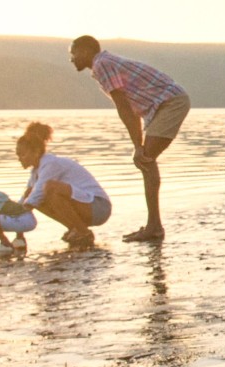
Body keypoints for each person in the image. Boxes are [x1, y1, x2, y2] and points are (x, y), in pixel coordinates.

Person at [69, 35, 191, 243]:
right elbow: (129, 108)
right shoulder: (104, 64)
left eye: (74, 53)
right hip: (160, 107)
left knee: (145, 159)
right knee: (145, 161)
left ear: (87, 51)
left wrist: (137, 145)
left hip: (170, 103)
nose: (71, 58)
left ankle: (154, 227)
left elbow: (124, 107)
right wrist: (138, 144)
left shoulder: (102, 64)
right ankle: (154, 225)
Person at [14, 123, 112, 247]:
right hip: (85, 206)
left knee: (49, 188)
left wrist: (22, 211)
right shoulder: (36, 171)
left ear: (36, 151)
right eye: (17, 155)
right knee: (31, 194)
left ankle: (83, 232)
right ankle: (75, 228)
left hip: (99, 208)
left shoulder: (51, 163)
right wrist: (8, 220)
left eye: (22, 154)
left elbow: (35, 196)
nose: (19, 159)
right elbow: (26, 198)